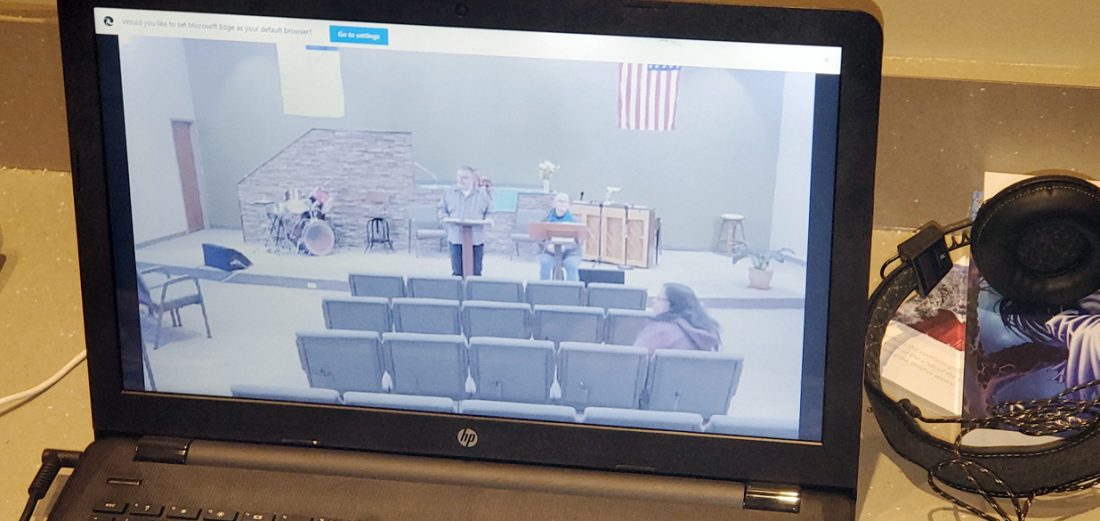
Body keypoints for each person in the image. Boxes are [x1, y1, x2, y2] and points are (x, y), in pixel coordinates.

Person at [633, 283, 721, 354]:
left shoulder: (657, 331)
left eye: (659, 299)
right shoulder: (707, 333)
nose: (653, 301)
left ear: (672, 305)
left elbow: (635, 360)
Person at [438, 165, 492, 276]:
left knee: (476, 271)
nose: (460, 180)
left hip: (476, 239)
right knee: (457, 272)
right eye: (458, 177)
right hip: (455, 238)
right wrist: (444, 219)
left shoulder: (482, 194)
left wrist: (489, 220)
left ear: (473, 179)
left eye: (465, 178)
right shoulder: (449, 192)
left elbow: (490, 212)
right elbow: (442, 209)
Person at [537, 192, 582, 281]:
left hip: (571, 253)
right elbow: (539, 237)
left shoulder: (575, 221)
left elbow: (579, 241)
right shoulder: (545, 219)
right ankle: (543, 288)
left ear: (569, 205)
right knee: (545, 263)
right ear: (554, 204)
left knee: (572, 266)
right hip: (549, 252)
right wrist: (547, 246)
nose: (563, 204)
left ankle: (573, 289)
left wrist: (565, 247)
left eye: (565, 202)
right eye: (560, 201)